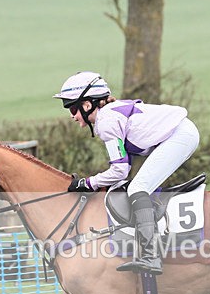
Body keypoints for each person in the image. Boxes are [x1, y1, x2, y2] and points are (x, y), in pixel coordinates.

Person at [53, 71, 200, 275]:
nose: (71, 115)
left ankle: (151, 255)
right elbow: (123, 170)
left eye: (72, 107)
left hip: (180, 135)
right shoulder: (109, 115)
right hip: (181, 132)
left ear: (87, 105)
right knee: (137, 186)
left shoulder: (106, 123)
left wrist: (88, 183)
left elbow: (120, 170)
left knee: (138, 187)